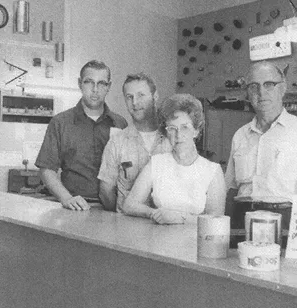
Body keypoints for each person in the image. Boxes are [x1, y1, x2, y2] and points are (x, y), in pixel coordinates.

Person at [35, 60, 127, 211]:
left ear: (108, 86)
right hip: (75, 208)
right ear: (79, 83)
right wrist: (67, 199)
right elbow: (46, 170)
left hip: (112, 209)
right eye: (89, 82)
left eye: (101, 83)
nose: (95, 89)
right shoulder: (60, 123)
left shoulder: (120, 124)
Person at [122, 93, 226, 224]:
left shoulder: (212, 171)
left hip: (195, 242)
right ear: (166, 132)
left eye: (185, 127)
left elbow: (216, 220)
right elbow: (129, 205)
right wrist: (154, 213)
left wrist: (180, 218)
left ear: (196, 131)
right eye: (172, 128)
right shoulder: (157, 163)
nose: (178, 135)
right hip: (158, 238)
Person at [97, 73, 170, 212]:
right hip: (127, 227)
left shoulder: (172, 138)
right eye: (129, 97)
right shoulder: (117, 142)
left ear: (155, 96)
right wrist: (122, 215)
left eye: (141, 95)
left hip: (164, 226)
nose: (135, 102)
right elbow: (106, 192)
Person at [225, 61, 297, 201]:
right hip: (243, 216)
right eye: (254, 86)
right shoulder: (240, 135)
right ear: (247, 93)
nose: (261, 92)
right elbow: (231, 188)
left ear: (282, 89)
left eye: (269, 85)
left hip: (285, 218)